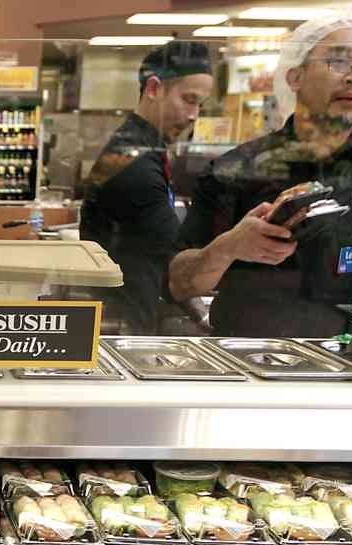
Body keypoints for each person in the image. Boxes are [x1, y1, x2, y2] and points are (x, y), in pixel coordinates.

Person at [168, 6, 352, 337]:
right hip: (249, 356)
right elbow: (178, 282)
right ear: (295, 76)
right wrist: (227, 248)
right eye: (339, 61)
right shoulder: (236, 169)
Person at [80, 40, 214, 335]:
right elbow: (179, 266)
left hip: (122, 312)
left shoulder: (140, 146)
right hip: (119, 323)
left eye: (200, 105)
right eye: (189, 99)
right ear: (154, 88)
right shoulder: (135, 163)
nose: (194, 115)